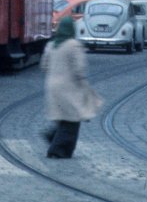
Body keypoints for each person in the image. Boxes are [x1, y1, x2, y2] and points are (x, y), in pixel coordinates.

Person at [40, 16, 104, 159]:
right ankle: (57, 149)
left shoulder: (51, 45)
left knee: (63, 116)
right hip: (69, 87)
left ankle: (52, 136)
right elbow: (79, 69)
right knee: (72, 119)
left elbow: (44, 65)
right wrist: (83, 85)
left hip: (51, 86)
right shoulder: (73, 45)